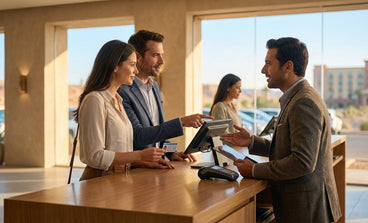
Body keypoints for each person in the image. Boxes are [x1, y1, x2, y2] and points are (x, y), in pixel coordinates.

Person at [221, 37, 342, 222]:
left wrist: (254, 170)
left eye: (268, 63)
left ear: (288, 67)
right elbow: (288, 148)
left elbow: (302, 162)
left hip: (307, 210)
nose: (263, 70)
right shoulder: (298, 97)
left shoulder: (303, 102)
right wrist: (252, 141)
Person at [74, 40, 173, 181]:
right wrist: (140, 155)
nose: (136, 71)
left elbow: (118, 152)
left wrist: (145, 162)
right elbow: (94, 156)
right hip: (101, 182)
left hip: (121, 178)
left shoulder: (117, 100)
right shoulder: (95, 100)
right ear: (115, 66)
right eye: (132, 65)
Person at [120, 30, 213, 161]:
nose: (162, 61)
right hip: (135, 169)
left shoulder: (155, 87)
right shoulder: (123, 91)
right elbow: (138, 136)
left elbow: (158, 132)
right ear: (138, 57)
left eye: (162, 55)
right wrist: (181, 122)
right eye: (155, 55)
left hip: (157, 169)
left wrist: (171, 152)